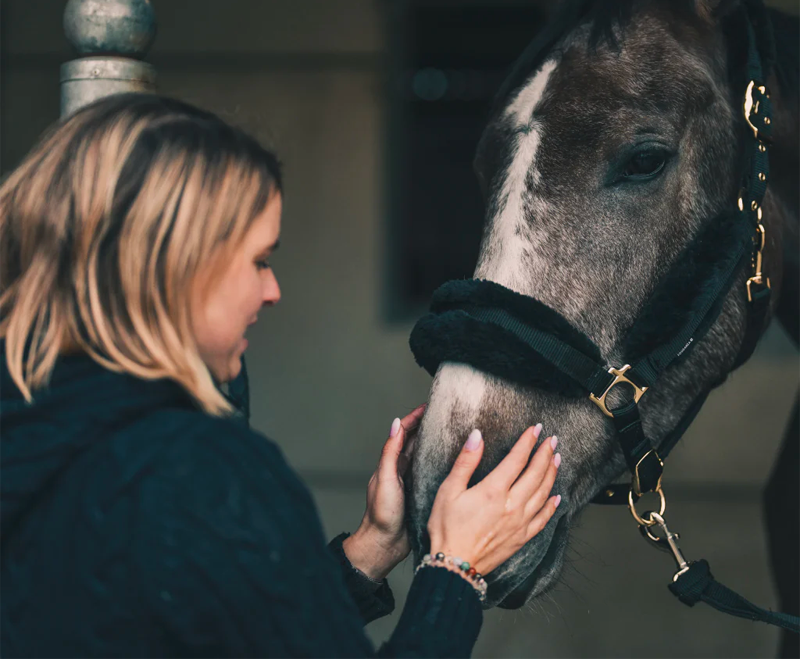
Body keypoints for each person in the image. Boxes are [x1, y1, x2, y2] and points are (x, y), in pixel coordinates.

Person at [0, 93, 561, 658]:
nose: (272, 292)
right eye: (259, 261)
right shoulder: (199, 471)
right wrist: (455, 568)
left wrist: (369, 549)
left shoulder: (39, 437)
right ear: (176, 265)